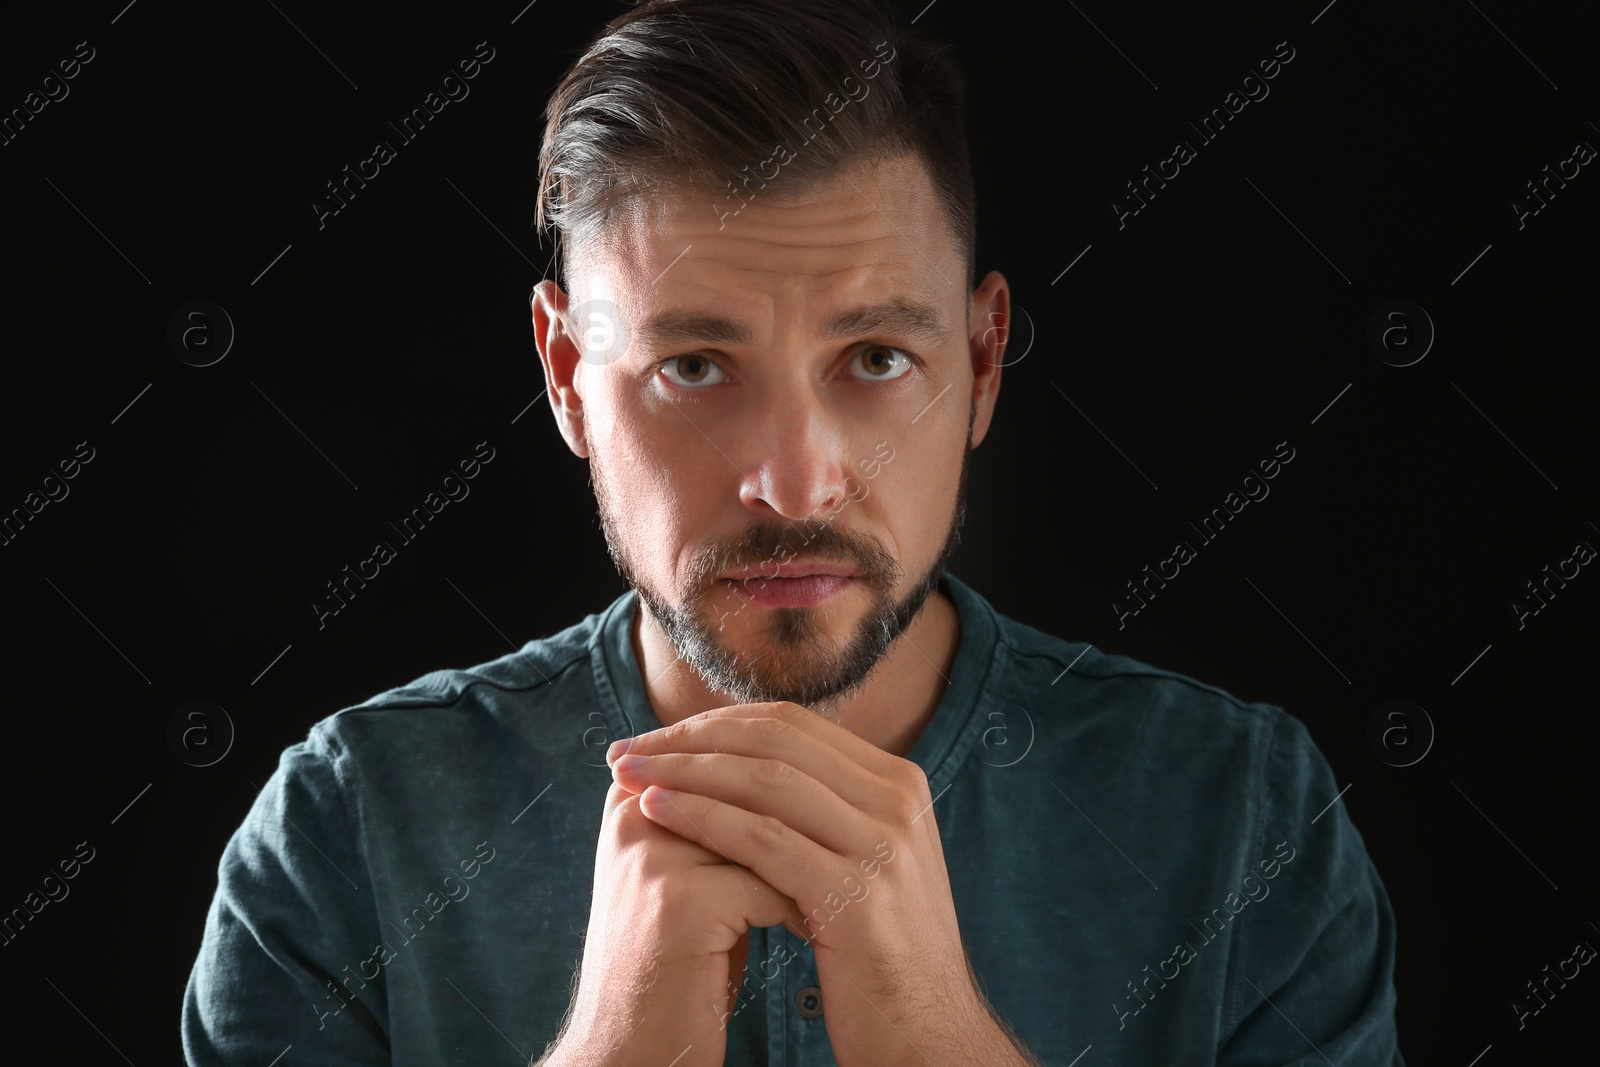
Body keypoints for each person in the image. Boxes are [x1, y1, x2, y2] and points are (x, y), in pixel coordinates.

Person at [183, 1, 1405, 1063]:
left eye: (876, 358)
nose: (793, 481)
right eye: (696, 365)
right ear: (564, 373)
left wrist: (938, 1037)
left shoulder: (1239, 816)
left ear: (981, 364)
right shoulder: (350, 827)